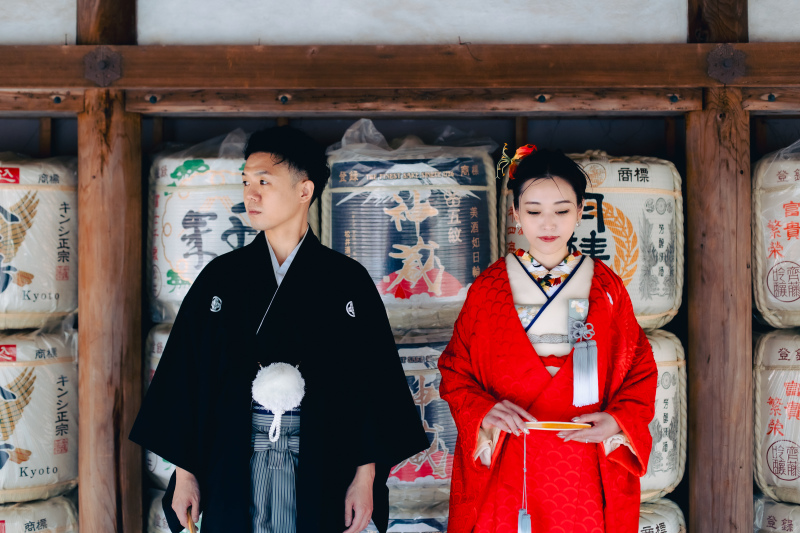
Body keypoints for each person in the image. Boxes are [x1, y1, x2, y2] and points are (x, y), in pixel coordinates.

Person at [130, 126, 429, 533]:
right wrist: (185, 475)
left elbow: (373, 386)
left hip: (320, 460)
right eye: (246, 182)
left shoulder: (347, 281)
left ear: (304, 190)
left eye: (264, 182)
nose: (250, 194)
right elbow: (186, 379)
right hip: (233, 460)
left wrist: (365, 478)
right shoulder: (221, 278)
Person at [438, 145, 658, 533]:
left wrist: (617, 421)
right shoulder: (489, 289)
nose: (548, 224)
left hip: (582, 456)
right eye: (534, 211)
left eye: (561, 210)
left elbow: (640, 368)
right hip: (511, 452)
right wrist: (484, 411)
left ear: (581, 210)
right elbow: (455, 371)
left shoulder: (606, 287)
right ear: (516, 213)